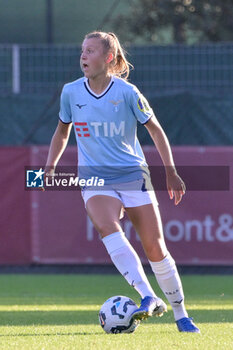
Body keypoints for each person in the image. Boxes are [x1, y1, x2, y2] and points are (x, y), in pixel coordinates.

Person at [44, 31, 200, 333]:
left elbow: (155, 130)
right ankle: (148, 296)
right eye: (82, 50)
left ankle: (181, 314)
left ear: (109, 58)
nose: (83, 56)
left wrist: (170, 171)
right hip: (94, 177)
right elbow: (62, 132)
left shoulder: (127, 92)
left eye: (90, 51)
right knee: (107, 227)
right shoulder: (71, 92)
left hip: (132, 174)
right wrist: (50, 166)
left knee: (155, 248)